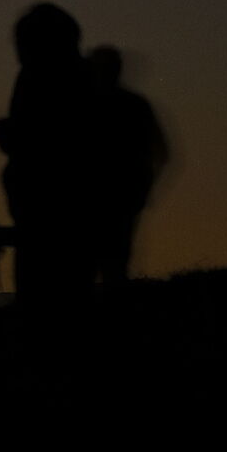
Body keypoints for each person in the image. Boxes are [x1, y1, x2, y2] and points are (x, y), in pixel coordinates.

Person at [0, 2, 90, 312]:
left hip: (50, 198)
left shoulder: (43, 79)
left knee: (46, 282)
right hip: (52, 197)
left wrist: (11, 136)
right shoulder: (76, 76)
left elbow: (39, 139)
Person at [83, 46, 168, 288]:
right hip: (118, 196)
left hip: (104, 197)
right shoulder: (134, 104)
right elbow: (160, 152)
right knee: (114, 264)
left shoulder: (85, 105)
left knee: (100, 265)